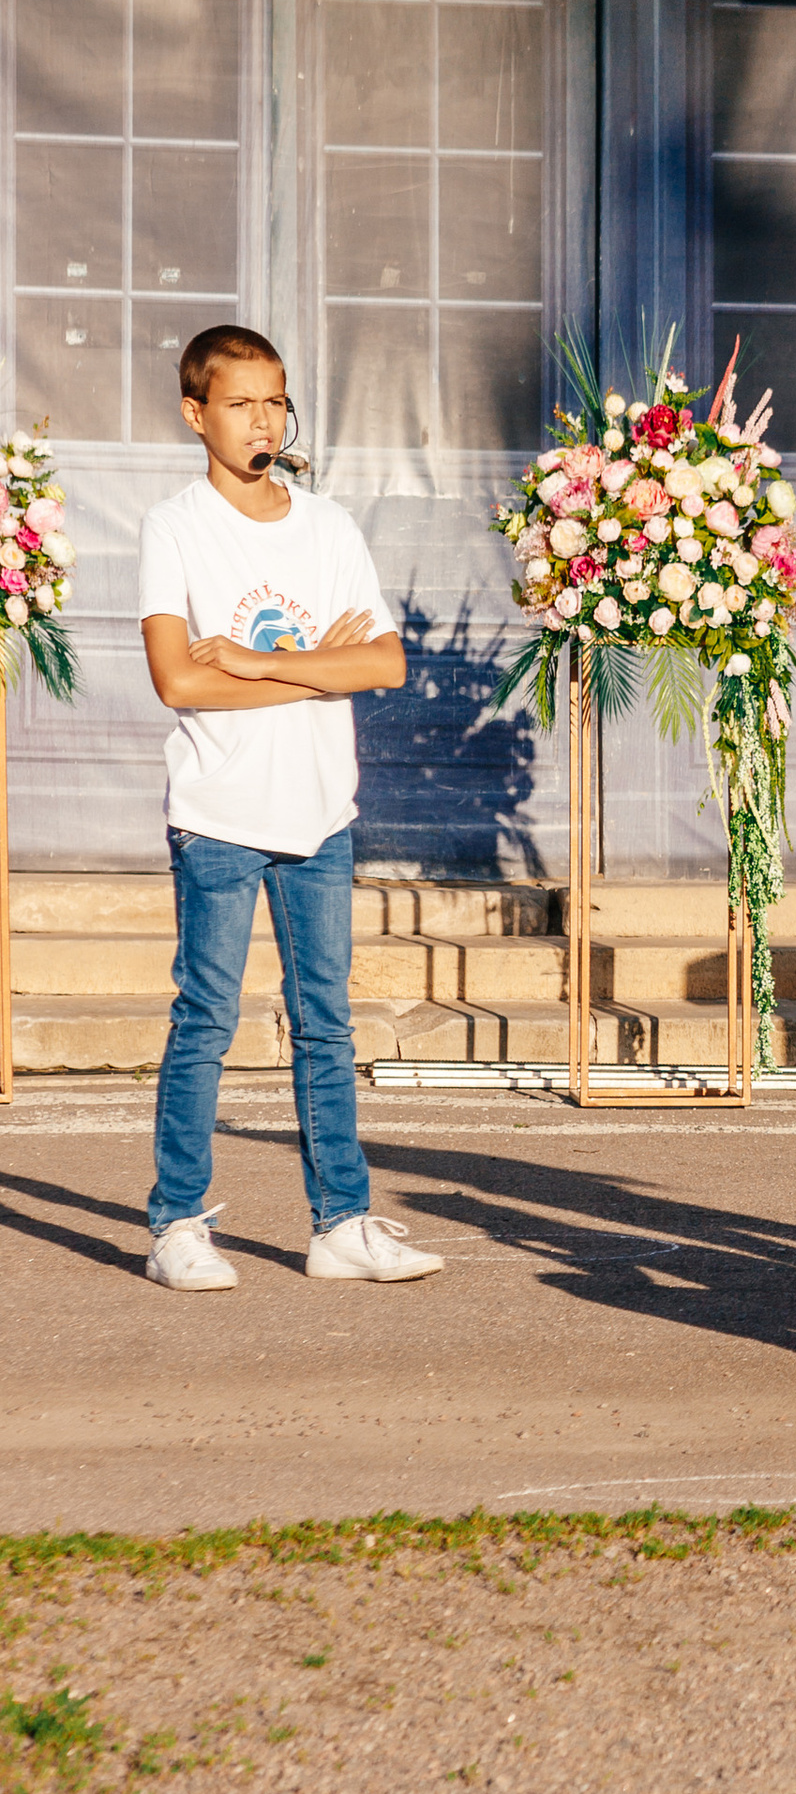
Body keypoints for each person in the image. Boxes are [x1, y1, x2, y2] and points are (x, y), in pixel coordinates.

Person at [137, 326, 441, 1292]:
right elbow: (178, 683)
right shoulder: (175, 526)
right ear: (198, 414)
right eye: (241, 402)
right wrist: (323, 671)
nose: (263, 419)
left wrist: (265, 661)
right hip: (219, 812)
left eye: (275, 400)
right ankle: (177, 1224)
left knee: (326, 1025)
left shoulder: (328, 526)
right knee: (207, 1019)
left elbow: (385, 663)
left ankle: (339, 1224)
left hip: (320, 814)